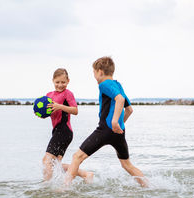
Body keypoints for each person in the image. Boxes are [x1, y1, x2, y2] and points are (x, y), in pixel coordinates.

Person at [63, 57, 148, 188]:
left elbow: (119, 99)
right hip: (119, 132)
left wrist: (114, 123)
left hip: (105, 129)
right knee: (127, 165)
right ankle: (149, 186)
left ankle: (64, 189)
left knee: (77, 157)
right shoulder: (118, 85)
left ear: (100, 72)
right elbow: (129, 110)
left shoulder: (104, 84)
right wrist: (118, 125)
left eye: (94, 73)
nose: (94, 76)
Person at [41, 68, 93, 182]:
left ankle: (45, 188)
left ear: (68, 81)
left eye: (63, 82)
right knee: (55, 165)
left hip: (64, 131)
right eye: (57, 82)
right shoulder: (49, 95)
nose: (60, 85)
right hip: (56, 131)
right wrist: (43, 115)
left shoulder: (67, 94)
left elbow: (75, 110)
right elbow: (50, 112)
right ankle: (85, 174)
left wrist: (60, 106)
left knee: (46, 161)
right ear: (53, 81)